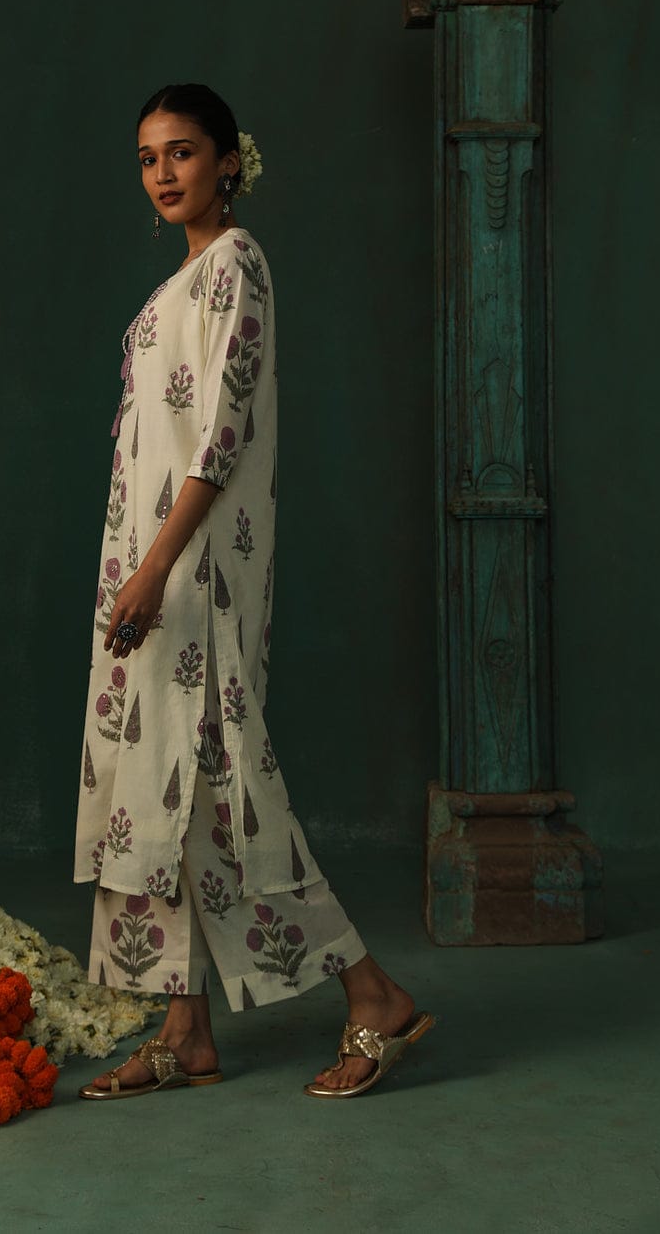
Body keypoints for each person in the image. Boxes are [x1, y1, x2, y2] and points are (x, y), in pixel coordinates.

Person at [74, 84, 434, 1100]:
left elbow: (220, 438)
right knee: (161, 787)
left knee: (225, 785)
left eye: (182, 152)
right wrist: (135, 566)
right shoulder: (179, 285)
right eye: (147, 158)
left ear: (229, 162)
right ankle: (185, 1030)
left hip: (195, 572)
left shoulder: (236, 264)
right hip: (149, 566)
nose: (162, 173)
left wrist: (155, 569)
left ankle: (375, 995)